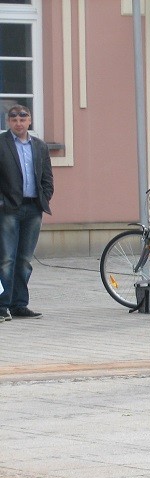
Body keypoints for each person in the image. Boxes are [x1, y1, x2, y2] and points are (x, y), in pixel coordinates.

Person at [0, 104, 54, 322]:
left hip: (33, 208)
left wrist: (45, 197)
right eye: (13, 119)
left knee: (24, 259)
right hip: (9, 209)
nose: (18, 122)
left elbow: (47, 177)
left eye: (22, 119)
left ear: (29, 121)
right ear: (8, 122)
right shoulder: (2, 144)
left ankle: (19, 304)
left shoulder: (39, 147)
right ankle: (2, 305)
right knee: (6, 259)